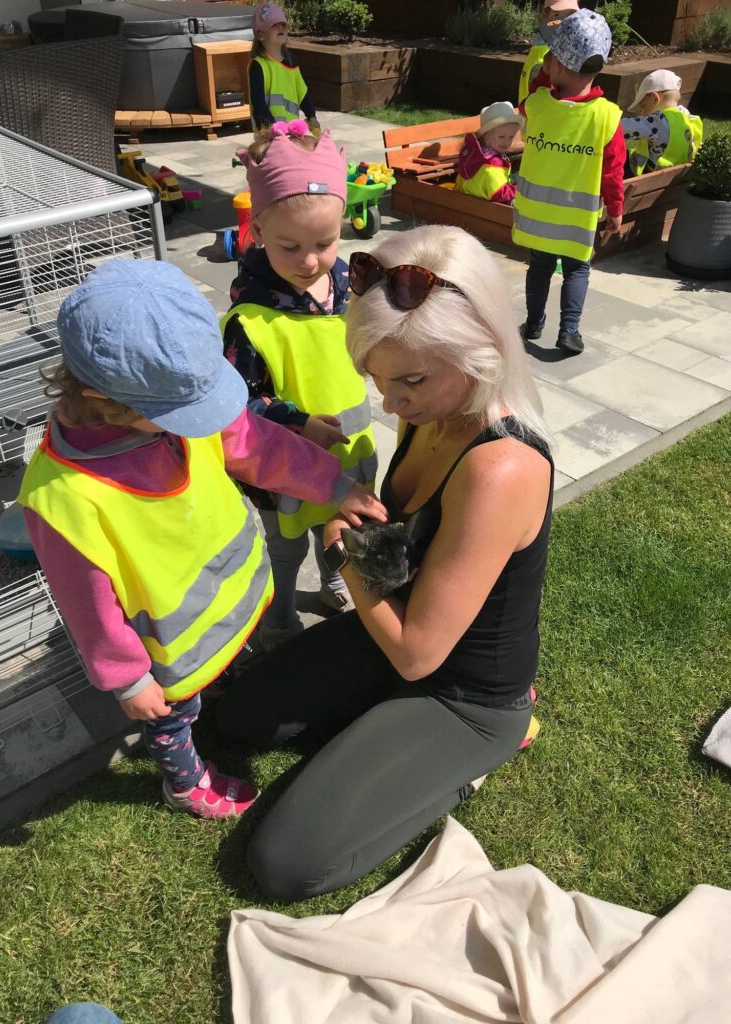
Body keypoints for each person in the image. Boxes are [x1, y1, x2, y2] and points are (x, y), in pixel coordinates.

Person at [215, 224, 554, 902]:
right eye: (377, 378)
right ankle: (379, 727)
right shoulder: (432, 406)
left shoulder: (501, 467)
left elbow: (418, 655)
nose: (391, 403)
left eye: (409, 382)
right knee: (232, 719)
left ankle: (482, 754)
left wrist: (345, 556)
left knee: (284, 864)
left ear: (482, 348)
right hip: (391, 629)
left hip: (462, 693)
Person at [18, 259, 384, 821]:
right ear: (101, 398)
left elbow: (257, 443)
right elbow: (85, 603)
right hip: (166, 649)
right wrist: (127, 679)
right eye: (184, 413)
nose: (205, 421)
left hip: (228, 606)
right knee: (173, 716)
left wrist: (334, 485)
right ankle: (184, 782)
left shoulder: (161, 406)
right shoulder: (60, 498)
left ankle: (221, 680)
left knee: (219, 668)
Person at [222, 121, 378, 647]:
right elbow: (237, 404)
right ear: (259, 231)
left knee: (338, 528)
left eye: (325, 243)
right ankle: (281, 615)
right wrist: (296, 421)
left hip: (351, 452)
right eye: (290, 246)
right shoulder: (250, 318)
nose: (310, 261)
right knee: (286, 546)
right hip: (284, 465)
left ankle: (333, 581)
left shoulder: (348, 288)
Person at [513, 7, 625, 356]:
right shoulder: (607, 116)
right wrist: (616, 210)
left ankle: (533, 323)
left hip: (538, 216)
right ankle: (570, 331)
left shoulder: (538, 105)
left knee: (540, 267)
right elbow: (613, 171)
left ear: (556, 66)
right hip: (578, 218)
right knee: (577, 270)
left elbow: (528, 99)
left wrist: (543, 73)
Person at [248, 2, 320, 134]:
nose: (280, 27)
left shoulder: (292, 63)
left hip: (292, 132)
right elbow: (257, 101)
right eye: (274, 25)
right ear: (260, 35)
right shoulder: (258, 66)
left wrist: (311, 116)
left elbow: (303, 93)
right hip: (268, 134)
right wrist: (272, 126)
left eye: (283, 24)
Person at [620, 70, 703, 177]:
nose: (642, 113)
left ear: (655, 98)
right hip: (674, 178)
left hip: (649, 178)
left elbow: (621, 127)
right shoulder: (688, 117)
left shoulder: (658, 122)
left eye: (644, 106)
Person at [454, 102, 523, 204]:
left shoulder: (474, 154)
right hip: (486, 207)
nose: (506, 141)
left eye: (510, 137)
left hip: (465, 202)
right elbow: (499, 193)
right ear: (486, 135)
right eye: (501, 137)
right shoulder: (493, 163)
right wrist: (519, 190)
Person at [517, 0, 579, 105]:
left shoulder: (550, 39)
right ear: (545, 15)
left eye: (569, 15)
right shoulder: (546, 53)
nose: (563, 21)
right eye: (556, 15)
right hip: (535, 110)